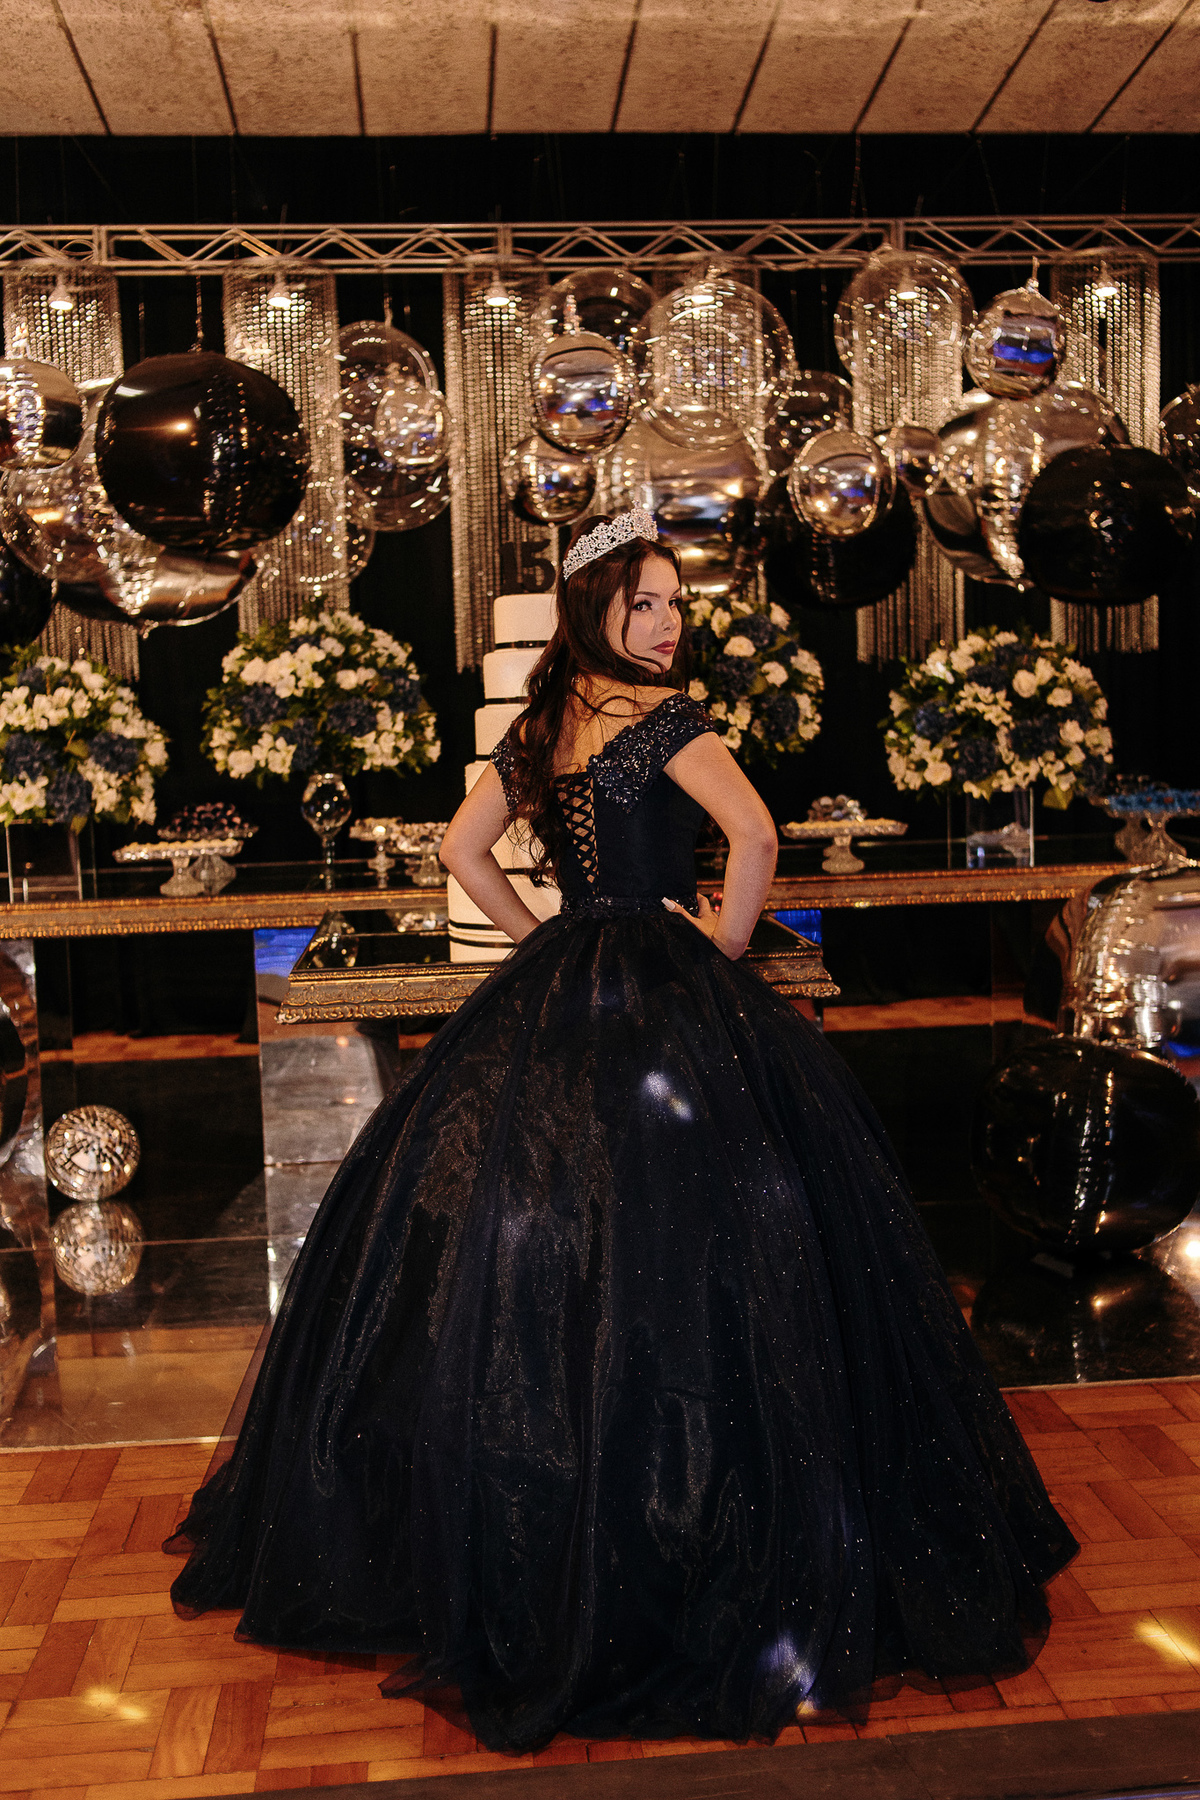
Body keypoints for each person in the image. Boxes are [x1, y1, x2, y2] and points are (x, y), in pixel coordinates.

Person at [168, 508, 1076, 1754]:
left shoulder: (544, 725)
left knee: (547, 1237)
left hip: (566, 973)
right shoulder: (665, 719)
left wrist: (542, 936)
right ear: (596, 606)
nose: (667, 623)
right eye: (644, 601)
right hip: (665, 976)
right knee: (702, 1239)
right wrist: (728, 943)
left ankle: (542, 1514)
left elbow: (461, 851)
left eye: (674, 603)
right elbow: (755, 836)